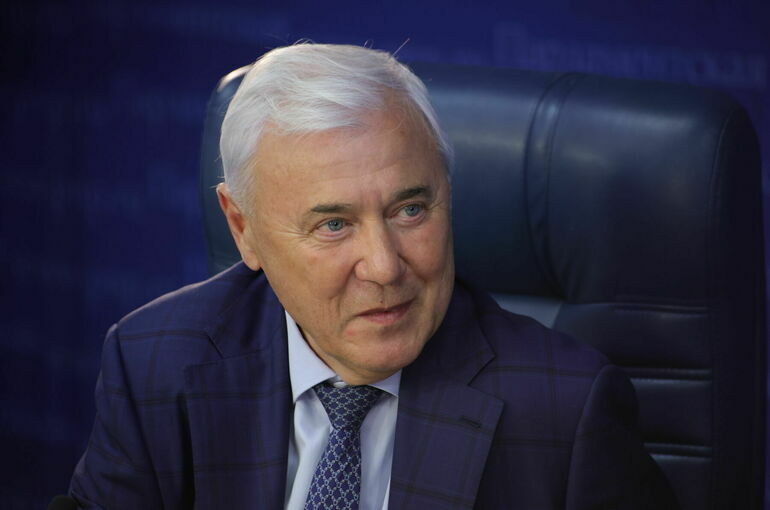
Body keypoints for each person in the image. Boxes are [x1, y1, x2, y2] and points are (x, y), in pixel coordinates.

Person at [69, 44, 678, 509]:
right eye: (333, 225)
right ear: (243, 228)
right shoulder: (154, 363)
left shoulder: (566, 410)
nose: (385, 267)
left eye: (410, 210)